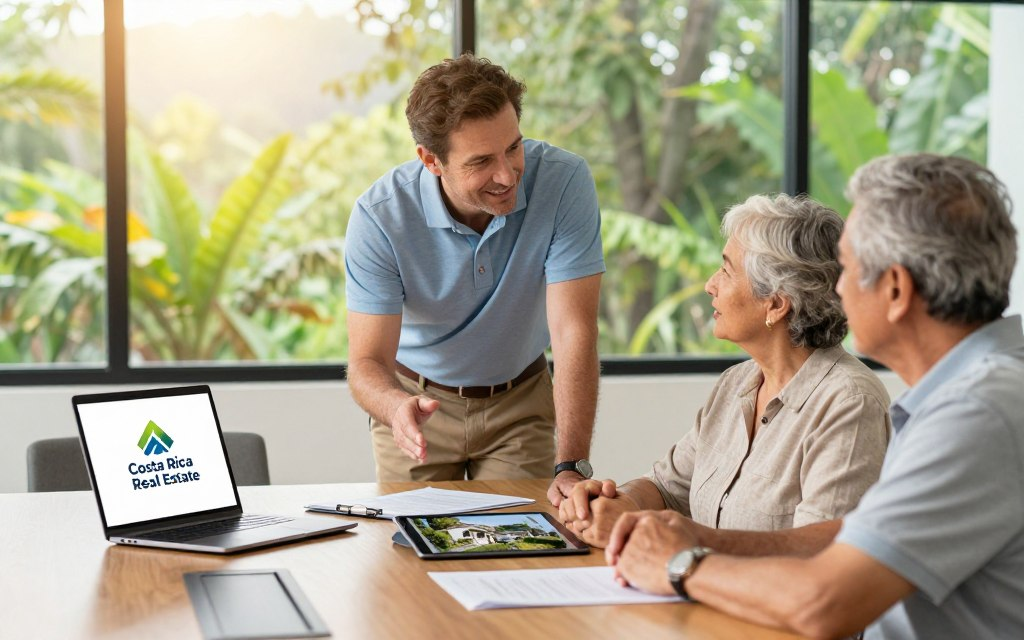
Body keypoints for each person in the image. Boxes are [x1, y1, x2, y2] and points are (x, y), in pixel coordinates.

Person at [607, 153, 1024, 640]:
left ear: (895, 289)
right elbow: (846, 538)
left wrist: (680, 563)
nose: (836, 290)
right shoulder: (962, 396)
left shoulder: (976, 413)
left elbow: (825, 601)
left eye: (846, 268)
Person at [344, 53, 604, 504]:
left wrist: (572, 466)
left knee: (522, 550)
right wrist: (395, 408)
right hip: (417, 405)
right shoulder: (381, 216)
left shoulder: (564, 181)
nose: (507, 175)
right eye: (481, 161)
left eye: (514, 148)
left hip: (520, 403)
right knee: (412, 553)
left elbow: (573, 331)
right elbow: (366, 362)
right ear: (431, 160)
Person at [559, 194, 891, 547]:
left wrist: (681, 541)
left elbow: (822, 552)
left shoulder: (849, 403)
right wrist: (612, 503)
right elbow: (666, 486)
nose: (710, 284)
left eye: (726, 269)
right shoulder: (736, 383)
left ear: (776, 304)